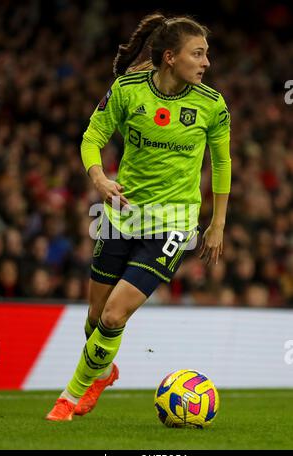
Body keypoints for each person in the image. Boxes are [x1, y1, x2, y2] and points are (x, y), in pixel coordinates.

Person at [46, 12, 231, 421]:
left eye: (206, 54)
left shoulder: (211, 104)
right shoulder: (128, 90)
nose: (206, 63)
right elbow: (92, 137)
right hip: (123, 214)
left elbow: (222, 163)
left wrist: (216, 224)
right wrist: (99, 178)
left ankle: (70, 396)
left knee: (114, 314)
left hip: (175, 222)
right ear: (170, 57)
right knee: (94, 319)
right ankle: (104, 371)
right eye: (197, 54)